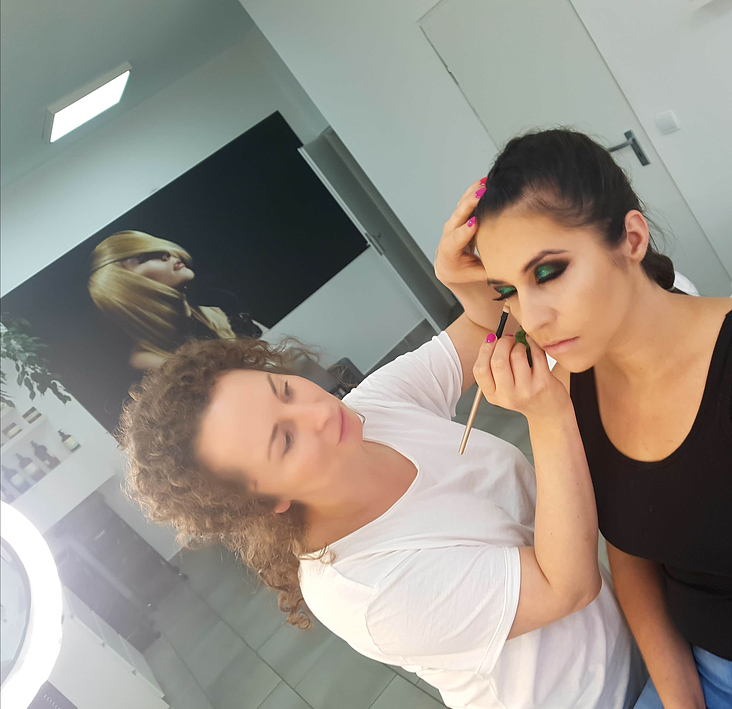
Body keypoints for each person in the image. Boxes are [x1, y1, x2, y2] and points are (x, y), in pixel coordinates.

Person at [120, 184, 644, 709]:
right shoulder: (368, 592)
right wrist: (550, 414)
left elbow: (485, 326)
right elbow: (565, 587)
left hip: (628, 635)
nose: (320, 412)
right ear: (265, 498)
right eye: (285, 439)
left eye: (284, 391)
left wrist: (461, 281)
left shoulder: (371, 409)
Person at [447, 129, 731, 708]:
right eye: (508, 291)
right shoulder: (576, 391)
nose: (533, 318)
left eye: (548, 272)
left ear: (632, 238)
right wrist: (683, 700)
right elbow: (632, 555)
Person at [88, 230, 263, 371]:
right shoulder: (149, 361)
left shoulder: (217, 311)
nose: (166, 254)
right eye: (143, 259)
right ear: (127, 287)